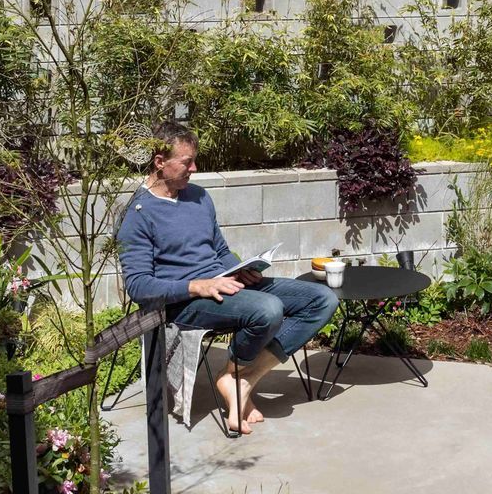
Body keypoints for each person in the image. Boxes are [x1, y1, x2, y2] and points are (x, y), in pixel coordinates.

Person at [116, 120, 338, 434]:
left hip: (224, 284)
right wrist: (197, 286)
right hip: (186, 301)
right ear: (160, 162)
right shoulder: (138, 214)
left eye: (194, 160)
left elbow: (219, 249)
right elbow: (138, 287)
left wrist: (241, 269)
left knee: (322, 299)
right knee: (267, 309)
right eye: (186, 162)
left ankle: (240, 379)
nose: (194, 168)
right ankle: (237, 381)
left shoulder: (199, 197)